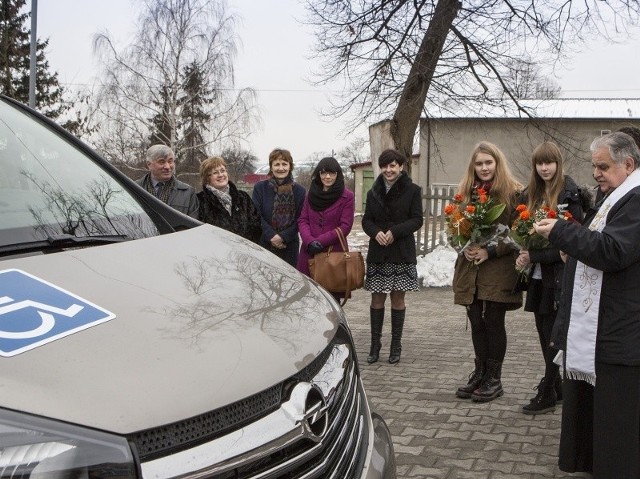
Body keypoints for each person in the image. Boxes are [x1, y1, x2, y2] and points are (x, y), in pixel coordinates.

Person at [534, 132, 640, 478]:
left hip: (620, 326)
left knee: (616, 416)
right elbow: (597, 244)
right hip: (606, 323)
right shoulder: (615, 197)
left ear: (629, 164)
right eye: (594, 166)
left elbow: (613, 250)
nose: (596, 173)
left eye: (603, 166)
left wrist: (562, 233)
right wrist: (573, 251)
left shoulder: (635, 200)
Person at [515, 142, 583, 415]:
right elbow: (519, 231)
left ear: (558, 163)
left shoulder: (570, 194)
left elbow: (572, 243)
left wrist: (533, 255)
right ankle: (556, 387)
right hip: (538, 279)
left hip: (558, 277)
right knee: (544, 334)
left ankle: (548, 388)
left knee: (554, 336)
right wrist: (522, 253)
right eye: (540, 163)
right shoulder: (529, 195)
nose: (545, 168)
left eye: (550, 162)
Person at [453, 141, 523, 402]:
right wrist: (464, 245)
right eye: (479, 163)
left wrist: (490, 250)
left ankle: (495, 378)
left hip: (499, 269)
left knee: (493, 321)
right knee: (476, 321)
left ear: (497, 163)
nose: (483, 168)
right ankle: (480, 373)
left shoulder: (514, 193)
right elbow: (454, 226)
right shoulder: (465, 192)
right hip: (470, 269)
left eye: (488, 162)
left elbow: (519, 232)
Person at [363, 149, 423, 365]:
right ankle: (374, 344)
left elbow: (417, 220)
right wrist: (375, 232)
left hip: (401, 251)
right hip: (378, 252)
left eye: (393, 165)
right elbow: (366, 220)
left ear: (401, 167)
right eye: (385, 166)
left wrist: (395, 232)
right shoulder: (373, 192)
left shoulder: (413, 190)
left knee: (398, 298)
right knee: (377, 298)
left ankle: (395, 345)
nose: (388, 170)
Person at [296, 156, 355, 297]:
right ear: (318, 174)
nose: (327, 177)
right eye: (323, 173)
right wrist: (309, 241)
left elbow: (345, 226)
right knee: (308, 296)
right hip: (309, 252)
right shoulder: (311, 194)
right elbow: (303, 220)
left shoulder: (347, 196)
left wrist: (320, 241)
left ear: (337, 174)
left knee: (332, 298)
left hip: (333, 253)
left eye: (331, 173)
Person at [252, 148, 305, 266]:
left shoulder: (299, 191)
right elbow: (255, 214)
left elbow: (301, 218)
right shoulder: (260, 188)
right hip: (265, 243)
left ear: (290, 166)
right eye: (277, 164)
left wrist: (283, 236)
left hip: (290, 245)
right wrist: (272, 235)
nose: (281, 168)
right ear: (271, 167)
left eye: (284, 164)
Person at [197, 156, 261, 243]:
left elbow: (256, 225)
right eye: (215, 173)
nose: (220, 175)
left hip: (246, 251)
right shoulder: (200, 201)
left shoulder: (243, 197)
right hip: (215, 253)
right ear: (206, 178)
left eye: (223, 171)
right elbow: (201, 232)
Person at [136, 144, 198, 218]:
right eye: (162, 162)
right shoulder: (133, 189)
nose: (167, 167)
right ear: (149, 164)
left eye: (170, 161)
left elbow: (193, 225)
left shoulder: (188, 192)